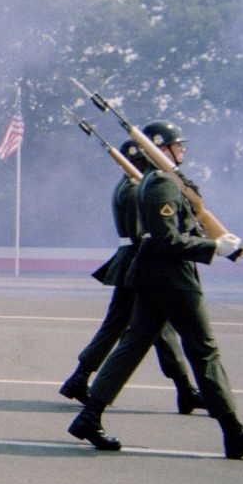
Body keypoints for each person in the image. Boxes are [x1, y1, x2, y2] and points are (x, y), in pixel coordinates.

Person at [68, 121, 243, 459]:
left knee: (133, 345)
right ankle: (234, 432)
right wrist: (215, 250)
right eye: (177, 145)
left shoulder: (163, 181)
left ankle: (89, 416)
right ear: (161, 148)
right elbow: (169, 239)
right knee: (204, 351)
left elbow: (197, 221)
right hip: (172, 279)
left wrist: (241, 251)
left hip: (155, 276)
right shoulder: (162, 185)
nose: (183, 149)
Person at [58, 140, 206, 413]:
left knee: (146, 328)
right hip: (140, 262)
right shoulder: (137, 188)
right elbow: (151, 232)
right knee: (145, 329)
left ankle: (185, 390)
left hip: (133, 261)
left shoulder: (128, 185)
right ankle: (185, 390)